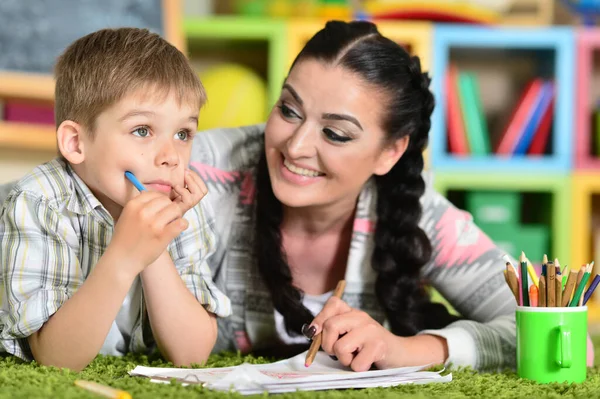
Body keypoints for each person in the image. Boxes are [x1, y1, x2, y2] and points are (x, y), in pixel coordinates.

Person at [188, 20, 594, 371]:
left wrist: (404, 348)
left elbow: (567, 338)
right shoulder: (206, 171)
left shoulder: (417, 211)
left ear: (390, 152)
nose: (295, 147)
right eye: (289, 110)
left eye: (335, 134)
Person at [0, 27, 231, 371]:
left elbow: (192, 354)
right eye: (142, 130)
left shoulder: (178, 207)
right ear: (76, 143)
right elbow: (55, 357)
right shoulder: (39, 202)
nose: (170, 156)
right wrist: (124, 257)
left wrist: (154, 248)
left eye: (183, 133)